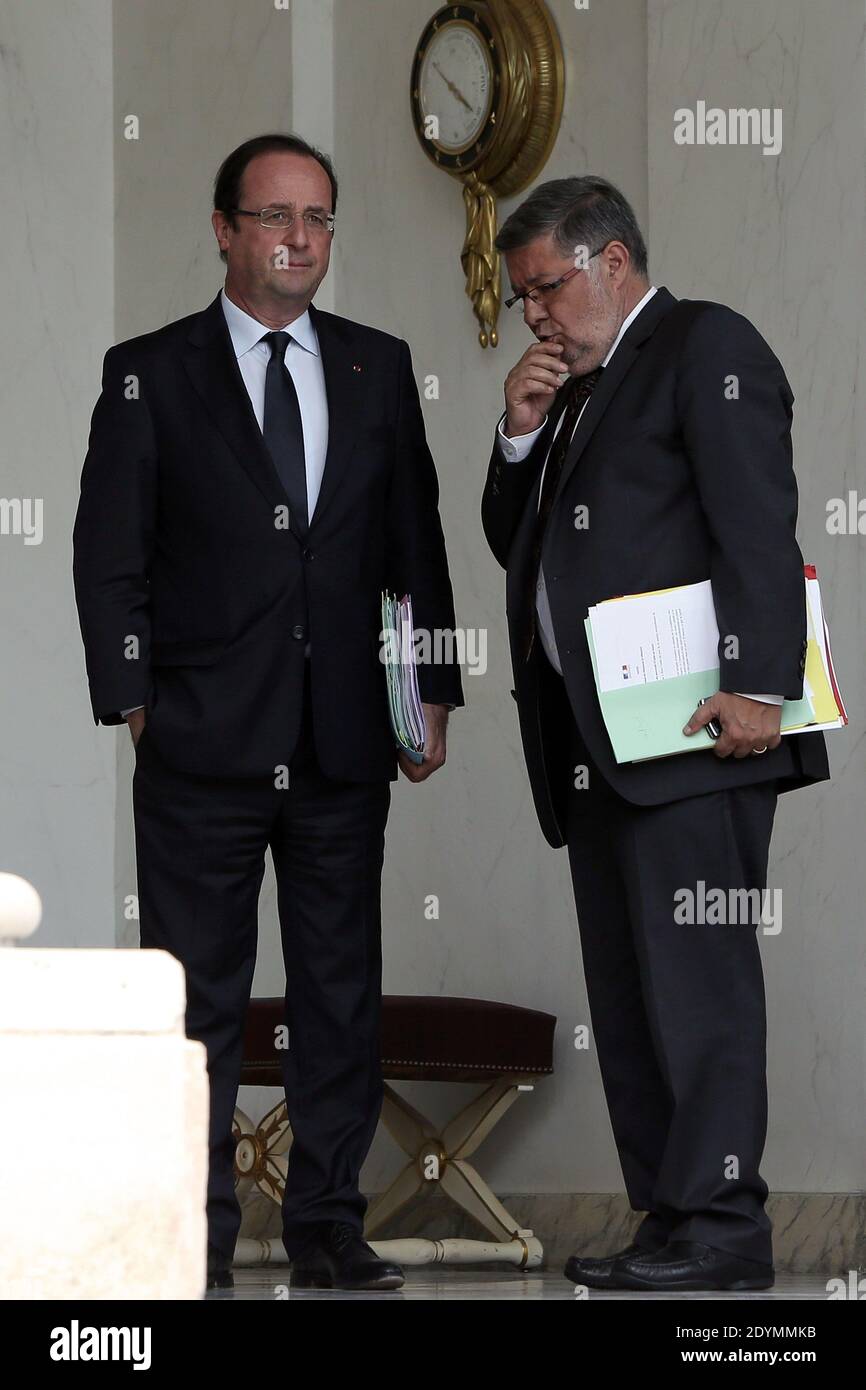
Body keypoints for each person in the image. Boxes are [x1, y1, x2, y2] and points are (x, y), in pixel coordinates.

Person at [73, 132, 463, 1293]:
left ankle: (327, 1224)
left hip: (342, 736)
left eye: (321, 219)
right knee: (193, 997)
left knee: (340, 989)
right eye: (279, 217)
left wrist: (428, 689)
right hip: (201, 739)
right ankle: (188, 1232)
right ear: (225, 228)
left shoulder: (376, 365)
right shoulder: (148, 369)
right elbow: (108, 556)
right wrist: (134, 703)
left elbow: (414, 545)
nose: (302, 239)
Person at [481, 175, 829, 1292]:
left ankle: (724, 1232)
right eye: (521, 291)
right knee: (630, 995)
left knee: (697, 987)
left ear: (611, 261)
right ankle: (671, 1219)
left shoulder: (701, 344)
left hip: (695, 738)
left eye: (545, 286)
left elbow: (754, 522)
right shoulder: (576, 388)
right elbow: (518, 544)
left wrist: (758, 685)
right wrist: (520, 435)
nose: (532, 311)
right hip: (597, 745)